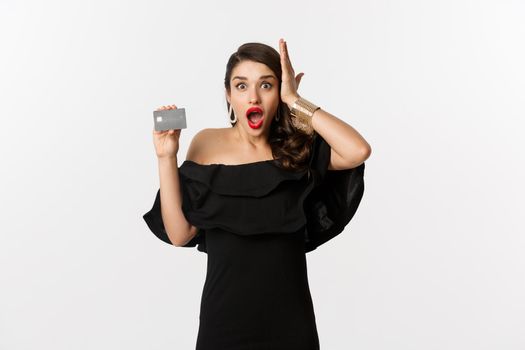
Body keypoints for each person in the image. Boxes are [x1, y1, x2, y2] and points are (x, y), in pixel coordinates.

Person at [143, 38, 371, 350]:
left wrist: (296, 100)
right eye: (241, 86)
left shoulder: (295, 147)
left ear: (278, 92)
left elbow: (358, 150)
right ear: (228, 94)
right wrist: (166, 157)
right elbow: (180, 234)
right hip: (224, 324)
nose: (253, 96)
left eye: (266, 85)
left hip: (291, 326)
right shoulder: (206, 143)